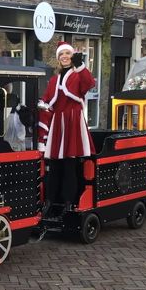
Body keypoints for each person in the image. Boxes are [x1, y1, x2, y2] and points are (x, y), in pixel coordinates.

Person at [38, 41, 95, 212]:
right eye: (61, 54)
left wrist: (81, 67)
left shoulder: (78, 75)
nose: (64, 57)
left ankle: (70, 202)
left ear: (72, 57)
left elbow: (89, 84)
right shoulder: (54, 79)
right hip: (57, 124)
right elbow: (47, 100)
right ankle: (50, 200)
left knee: (70, 166)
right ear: (58, 58)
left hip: (73, 122)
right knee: (54, 166)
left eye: (67, 54)